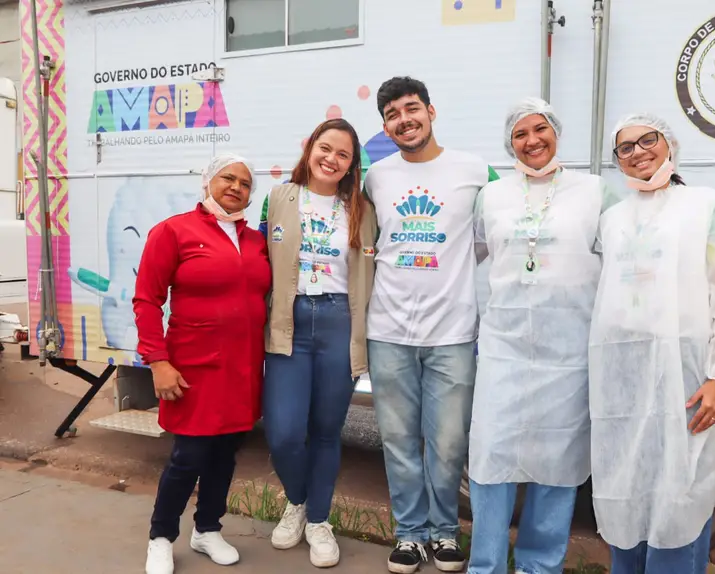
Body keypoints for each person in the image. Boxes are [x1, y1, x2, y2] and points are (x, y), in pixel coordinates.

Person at [588, 113, 715, 574]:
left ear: (670, 143)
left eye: (648, 140)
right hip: (623, 385)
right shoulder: (614, 219)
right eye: (625, 147)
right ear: (617, 161)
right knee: (627, 491)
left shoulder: (707, 206)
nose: (638, 151)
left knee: (682, 492)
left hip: (688, 380)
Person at [466, 97, 617, 574]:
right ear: (509, 142)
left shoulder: (595, 192)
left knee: (560, 460)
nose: (531, 141)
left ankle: (539, 565)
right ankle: (486, 565)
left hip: (568, 349)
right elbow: (470, 256)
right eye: (520, 134)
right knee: (491, 456)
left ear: (556, 131)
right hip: (502, 346)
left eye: (540, 130)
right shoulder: (491, 196)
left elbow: (623, 262)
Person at [362, 76, 499, 574]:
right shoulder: (375, 176)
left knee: (447, 442)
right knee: (398, 441)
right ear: (385, 126)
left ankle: (444, 534)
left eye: (411, 108)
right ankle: (410, 535)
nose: (405, 119)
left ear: (431, 111)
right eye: (393, 114)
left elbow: (499, 231)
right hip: (389, 331)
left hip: (453, 332)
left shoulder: (476, 170)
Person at [134, 154, 272, 574]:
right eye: (227, 178)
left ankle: (207, 528)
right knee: (188, 456)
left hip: (243, 369)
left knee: (225, 454)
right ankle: (161, 536)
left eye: (245, 183)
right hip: (193, 369)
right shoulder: (174, 230)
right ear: (207, 181)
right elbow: (147, 299)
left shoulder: (255, 241)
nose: (235, 187)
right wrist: (157, 361)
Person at [257, 118, 377, 568]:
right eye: (325, 149)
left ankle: (319, 520)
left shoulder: (362, 208)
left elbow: (373, 271)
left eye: (343, 155)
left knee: (327, 431)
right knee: (284, 432)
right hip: (288, 319)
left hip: (337, 321)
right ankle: (297, 501)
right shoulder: (279, 198)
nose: (332, 159)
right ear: (310, 149)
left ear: (351, 165)